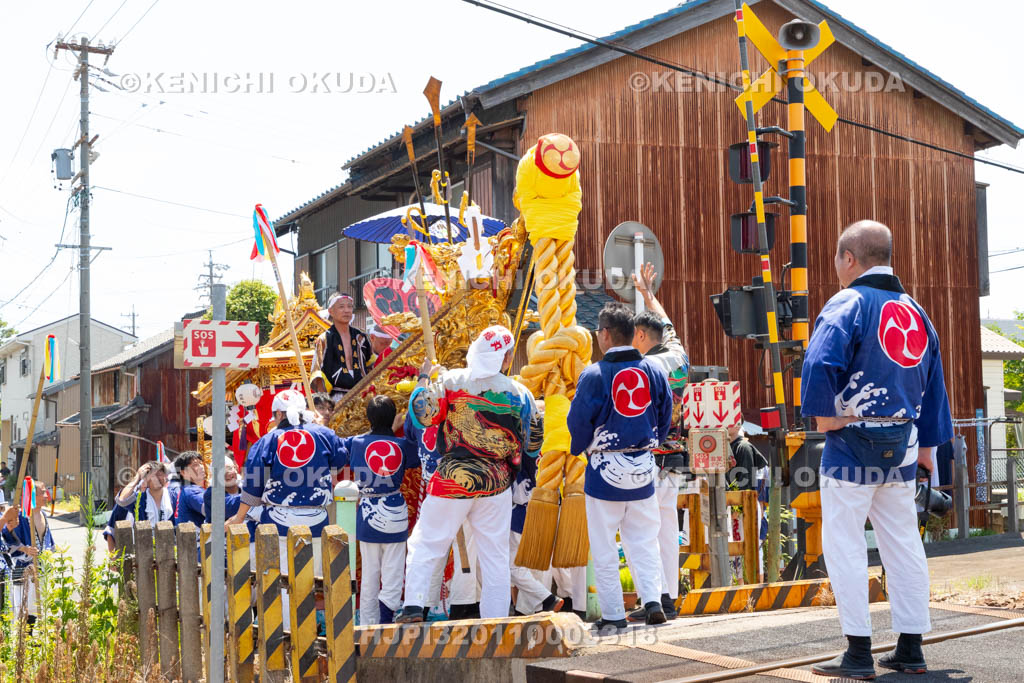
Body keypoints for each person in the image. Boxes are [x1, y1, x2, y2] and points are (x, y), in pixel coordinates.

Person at [802, 221, 952, 679]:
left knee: (845, 543)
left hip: (851, 445)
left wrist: (824, 416)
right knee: (903, 543)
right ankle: (910, 648)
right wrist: (929, 446)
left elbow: (819, 361)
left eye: (836, 258)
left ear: (850, 258)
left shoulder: (848, 302)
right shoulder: (915, 310)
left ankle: (858, 652)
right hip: (904, 445)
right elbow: (934, 381)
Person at [397, 325, 541, 623]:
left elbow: (422, 414)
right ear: (507, 357)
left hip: (452, 479)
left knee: (426, 544)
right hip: (496, 483)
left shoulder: (451, 381)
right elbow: (534, 442)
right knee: (495, 558)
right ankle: (495, 622)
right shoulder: (521, 393)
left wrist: (425, 380)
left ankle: (413, 605)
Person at [568, 302, 673, 631]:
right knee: (644, 540)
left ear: (605, 334)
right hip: (643, 465)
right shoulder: (654, 371)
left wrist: (581, 448)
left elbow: (578, 421)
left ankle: (614, 614)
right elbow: (665, 413)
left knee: (604, 545)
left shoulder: (594, 374)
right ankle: (653, 600)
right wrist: (651, 439)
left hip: (604, 470)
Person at [229, 388, 346, 627]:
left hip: (279, 522)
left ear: (278, 414)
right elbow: (340, 459)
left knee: (283, 582)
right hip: (316, 520)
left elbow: (253, 483)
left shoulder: (269, 439)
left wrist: (239, 516)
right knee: (309, 582)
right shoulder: (324, 434)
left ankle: (286, 637)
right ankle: (306, 635)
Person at [625, 262, 690, 622]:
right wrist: (649, 295)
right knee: (667, 532)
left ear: (638, 336)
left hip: (648, 460)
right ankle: (668, 599)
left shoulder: (642, 370)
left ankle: (652, 598)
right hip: (676, 459)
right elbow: (669, 327)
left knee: (641, 531)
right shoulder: (679, 358)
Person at [338, 395, 419, 625]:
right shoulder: (402, 445)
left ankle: (367, 626)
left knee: (370, 576)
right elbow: (414, 454)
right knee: (393, 573)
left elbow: (335, 445)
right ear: (393, 418)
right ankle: (385, 622)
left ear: (368, 418)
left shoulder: (356, 443)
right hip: (395, 510)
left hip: (367, 512)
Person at [509, 402, 563, 615]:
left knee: (512, 567)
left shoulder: (522, 446)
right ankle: (532, 607)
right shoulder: (556, 444)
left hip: (524, 511)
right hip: (549, 508)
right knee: (541, 565)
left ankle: (546, 599)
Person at [1, 481, 55, 622]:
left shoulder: (43, 515)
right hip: (23, 568)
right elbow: (7, 539)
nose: (45, 495)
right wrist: (24, 548)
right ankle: (26, 639)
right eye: (42, 492)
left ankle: (35, 640)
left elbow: (49, 542)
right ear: (32, 496)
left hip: (41, 568)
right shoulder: (22, 517)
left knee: (38, 606)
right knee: (24, 608)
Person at [104, 461, 179, 551]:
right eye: (153, 475)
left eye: (161, 473)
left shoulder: (174, 497)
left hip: (168, 552)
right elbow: (122, 500)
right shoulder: (138, 499)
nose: (158, 478)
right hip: (141, 551)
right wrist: (137, 477)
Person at [310, 293, 372, 400]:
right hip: (336, 397)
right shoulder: (324, 339)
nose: (347, 310)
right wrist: (325, 402)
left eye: (349, 306)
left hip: (362, 395)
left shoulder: (361, 337)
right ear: (331, 311)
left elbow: (372, 366)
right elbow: (318, 374)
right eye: (341, 307)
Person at [203, 455, 257, 541]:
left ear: (236, 468)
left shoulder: (245, 487)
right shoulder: (211, 493)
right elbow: (230, 507)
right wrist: (256, 494)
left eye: (229, 468)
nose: (226, 474)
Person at [726, 424, 768, 491]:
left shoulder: (743, 447)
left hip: (737, 498)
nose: (725, 424)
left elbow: (745, 485)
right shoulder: (722, 448)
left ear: (738, 425)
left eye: (729, 420)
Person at [174, 451, 208, 528]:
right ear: (183, 472)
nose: (201, 467)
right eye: (195, 465)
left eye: (201, 463)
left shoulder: (186, 489)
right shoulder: (190, 491)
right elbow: (212, 509)